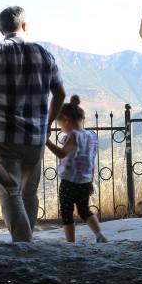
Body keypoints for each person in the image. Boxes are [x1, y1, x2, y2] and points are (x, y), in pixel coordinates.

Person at [0, 6, 65, 242]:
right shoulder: (45, 55)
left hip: (3, 136)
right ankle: (27, 242)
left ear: (1, 29)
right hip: (35, 137)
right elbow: (60, 93)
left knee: (10, 192)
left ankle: (24, 247)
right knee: (29, 192)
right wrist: (47, 124)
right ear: (25, 26)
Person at [46, 95, 107, 243]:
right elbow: (90, 161)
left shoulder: (73, 136)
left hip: (69, 181)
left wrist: (46, 141)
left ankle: (71, 244)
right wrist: (90, 182)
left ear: (66, 119)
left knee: (67, 213)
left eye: (60, 124)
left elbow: (62, 153)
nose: (61, 128)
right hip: (85, 181)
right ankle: (99, 235)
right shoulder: (91, 136)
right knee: (84, 210)